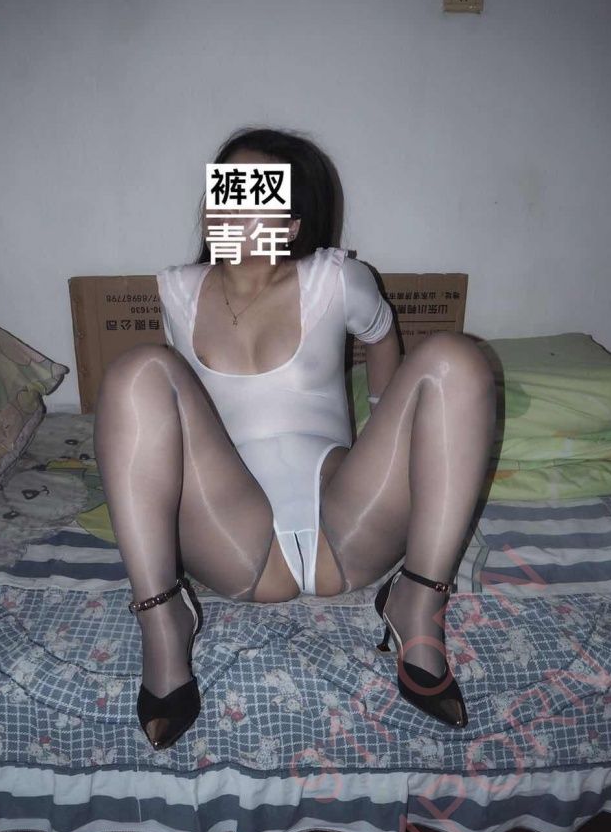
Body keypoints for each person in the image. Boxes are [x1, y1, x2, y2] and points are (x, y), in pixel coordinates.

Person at [93, 126, 497, 750]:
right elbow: (171, 414)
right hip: (233, 537)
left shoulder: (335, 279)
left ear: (292, 222)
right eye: (225, 192)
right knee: (137, 370)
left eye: (256, 195)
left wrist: (382, 426)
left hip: (348, 523)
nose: (233, 209)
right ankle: (164, 620)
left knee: (457, 359)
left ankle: (416, 602)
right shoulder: (176, 291)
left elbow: (381, 335)